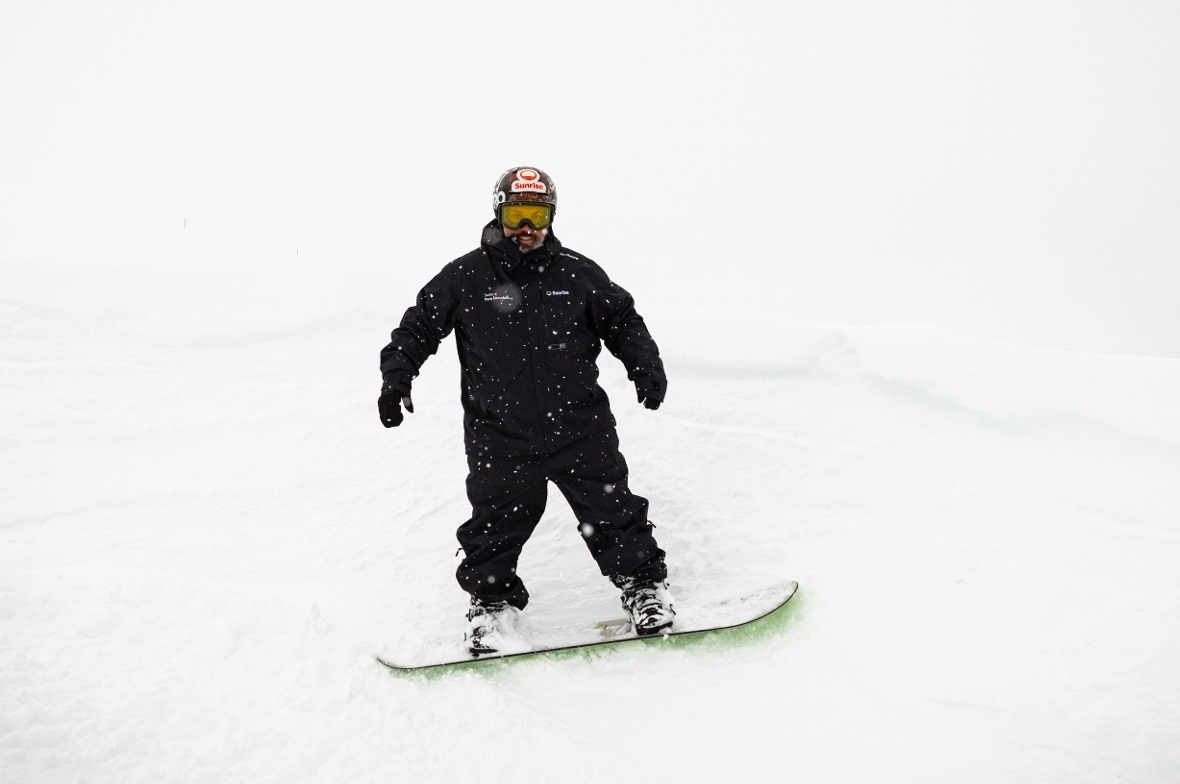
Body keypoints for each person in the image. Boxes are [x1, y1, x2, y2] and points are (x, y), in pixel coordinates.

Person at [378, 166, 675, 655]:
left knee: (613, 512)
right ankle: (491, 608)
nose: (527, 227)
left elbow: (622, 321)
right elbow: (417, 326)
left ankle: (644, 587)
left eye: (537, 215)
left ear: (551, 217)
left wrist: (646, 366)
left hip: (581, 428)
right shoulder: (466, 277)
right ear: (499, 212)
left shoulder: (578, 273)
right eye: (517, 214)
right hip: (501, 436)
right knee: (494, 525)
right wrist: (397, 376)